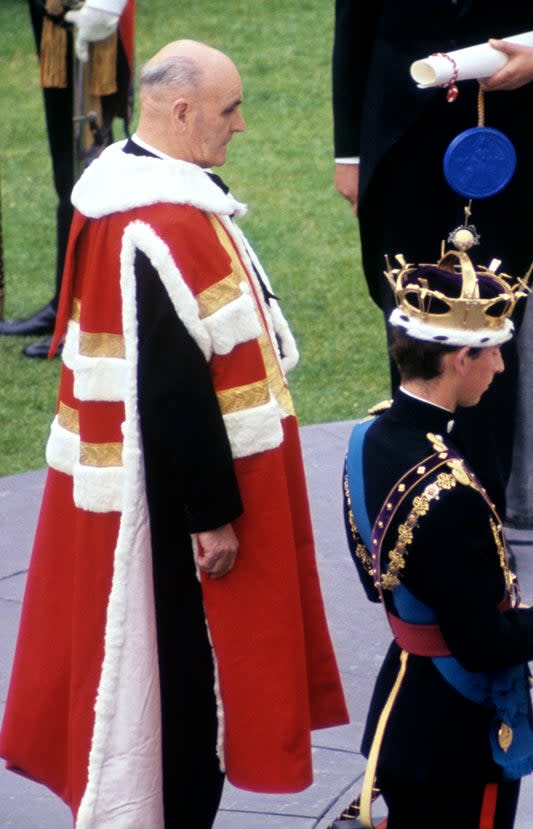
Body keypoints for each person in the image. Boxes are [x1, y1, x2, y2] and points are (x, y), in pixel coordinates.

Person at [0, 40, 349, 829]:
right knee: (189, 698)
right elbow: (170, 387)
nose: (242, 126)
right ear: (181, 111)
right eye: (229, 110)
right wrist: (211, 514)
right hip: (171, 515)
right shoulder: (158, 225)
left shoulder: (129, 201)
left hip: (148, 495)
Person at [343, 249, 533, 828]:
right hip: (457, 738)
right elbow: (481, 645)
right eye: (493, 350)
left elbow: (378, 581)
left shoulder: (367, 437)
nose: (500, 367)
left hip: (404, 705)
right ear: (459, 358)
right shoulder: (451, 495)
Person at [332, 0, 533, 520]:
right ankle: (412, 508)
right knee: (415, 332)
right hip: (400, 149)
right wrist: (349, 155)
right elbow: (355, 27)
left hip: (499, 153)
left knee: (488, 332)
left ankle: (481, 521)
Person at [0, 0, 135, 359]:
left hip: (95, 16)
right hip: (53, 16)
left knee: (90, 171)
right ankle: (64, 305)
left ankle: (86, 317)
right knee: (68, 175)